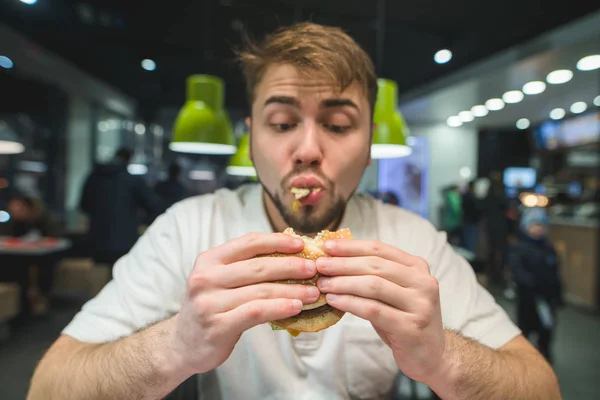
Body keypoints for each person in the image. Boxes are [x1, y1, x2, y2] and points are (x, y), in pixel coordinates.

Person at [28, 23, 560, 400]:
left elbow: (540, 388)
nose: (307, 149)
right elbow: (49, 387)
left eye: (337, 123)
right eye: (282, 123)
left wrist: (442, 357)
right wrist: (177, 344)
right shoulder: (189, 229)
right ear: (252, 137)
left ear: (369, 143)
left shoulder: (412, 241)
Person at [79, 147, 165, 269]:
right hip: (125, 241)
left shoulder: (93, 178)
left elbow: (84, 206)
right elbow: (155, 206)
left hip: (97, 241)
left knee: (98, 282)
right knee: (122, 281)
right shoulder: (132, 181)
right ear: (129, 159)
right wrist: (141, 220)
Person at [509, 207, 563, 364]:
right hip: (528, 300)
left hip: (547, 300)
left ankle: (545, 360)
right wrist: (533, 284)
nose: (538, 229)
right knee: (525, 332)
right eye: (534, 225)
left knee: (546, 332)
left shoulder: (549, 248)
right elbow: (517, 271)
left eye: (541, 225)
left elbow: (555, 272)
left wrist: (558, 293)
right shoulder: (519, 248)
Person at [461, 179, 481, 252]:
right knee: (470, 240)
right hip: (471, 220)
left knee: (467, 239)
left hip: (467, 219)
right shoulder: (471, 196)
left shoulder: (466, 195)